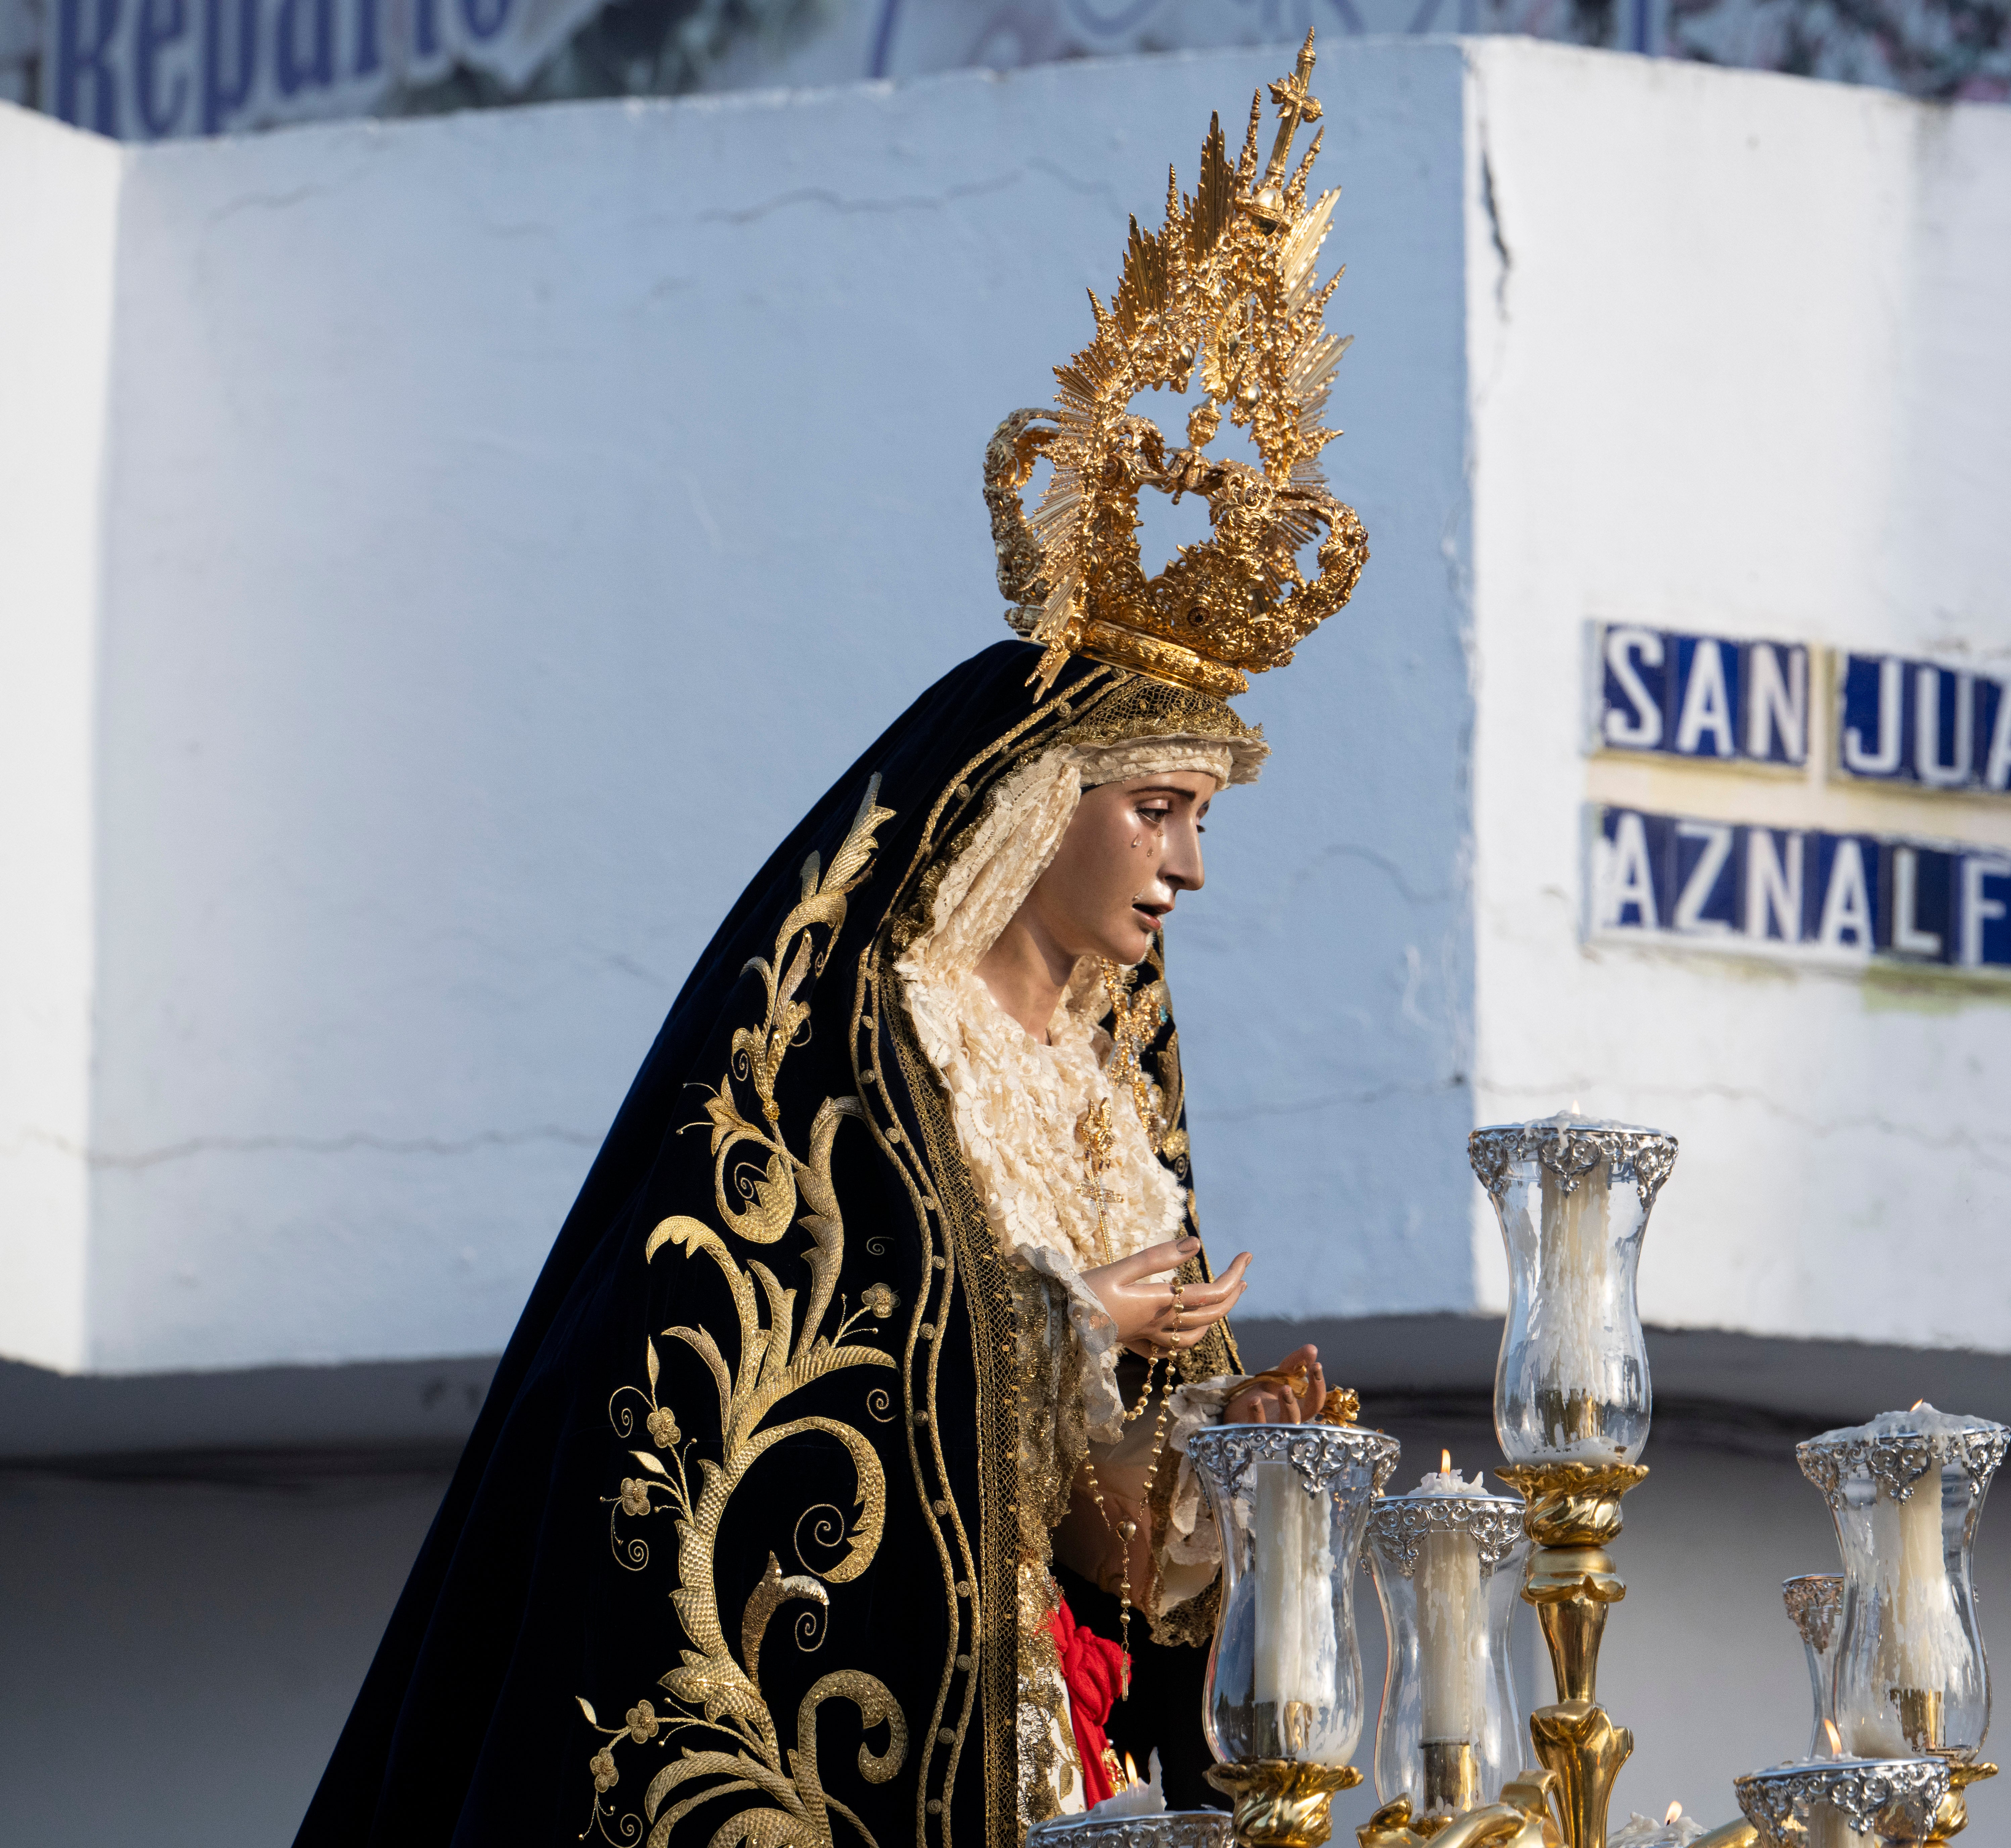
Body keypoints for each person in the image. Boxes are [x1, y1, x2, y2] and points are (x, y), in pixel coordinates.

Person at [294, 38, 1368, 1848]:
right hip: (870, 1735)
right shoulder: (863, 1046)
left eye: (1203, 818)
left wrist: (1225, 1461)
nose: (1189, 866)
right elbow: (727, 1362)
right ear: (1031, 799)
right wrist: (1059, 1320)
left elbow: (1105, 1562)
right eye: (1158, 807)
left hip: (1062, 1764)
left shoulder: (1107, 1109)